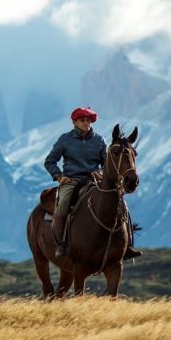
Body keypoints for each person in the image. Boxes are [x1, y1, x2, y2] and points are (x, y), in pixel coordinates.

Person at [44, 107, 141, 259]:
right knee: (63, 203)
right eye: (82, 120)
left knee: (121, 203)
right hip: (71, 181)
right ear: (74, 122)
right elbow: (50, 162)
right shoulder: (65, 139)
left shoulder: (99, 140)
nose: (86, 123)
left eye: (89, 121)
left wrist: (101, 172)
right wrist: (59, 177)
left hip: (94, 180)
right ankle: (62, 244)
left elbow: (107, 163)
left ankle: (128, 246)